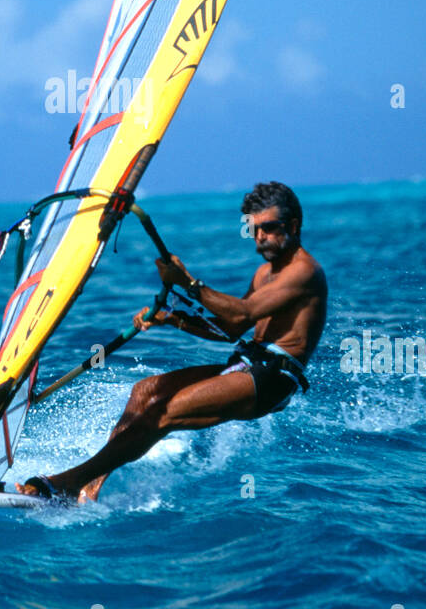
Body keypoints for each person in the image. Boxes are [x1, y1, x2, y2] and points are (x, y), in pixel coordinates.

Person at [16, 180, 327, 503]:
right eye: (254, 229)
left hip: (272, 380)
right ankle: (90, 488)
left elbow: (242, 315)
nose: (260, 237)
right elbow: (230, 331)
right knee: (144, 392)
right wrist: (171, 318)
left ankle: (67, 481)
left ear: (293, 225)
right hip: (247, 364)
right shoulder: (265, 273)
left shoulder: (303, 272)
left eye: (270, 228)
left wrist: (189, 283)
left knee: (161, 414)